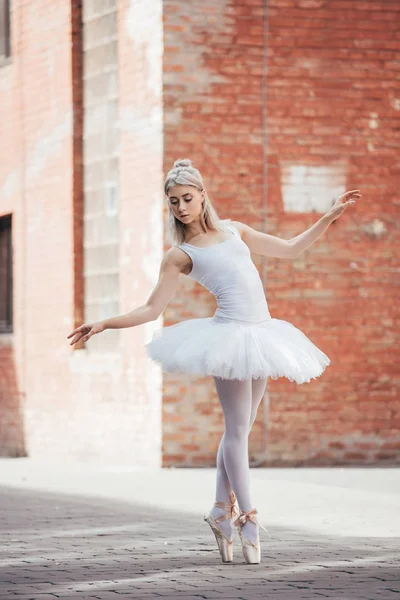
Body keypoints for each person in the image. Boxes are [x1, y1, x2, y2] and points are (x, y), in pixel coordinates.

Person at [67, 158, 361, 564]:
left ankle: (220, 512)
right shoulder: (180, 254)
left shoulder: (235, 230)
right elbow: (152, 309)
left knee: (239, 430)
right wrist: (104, 323)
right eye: (173, 202)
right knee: (237, 431)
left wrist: (330, 215)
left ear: (203, 196)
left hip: (262, 334)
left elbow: (292, 249)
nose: (182, 207)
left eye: (187, 198)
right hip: (228, 339)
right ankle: (249, 519)